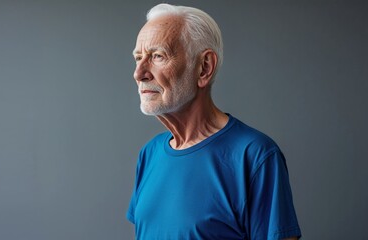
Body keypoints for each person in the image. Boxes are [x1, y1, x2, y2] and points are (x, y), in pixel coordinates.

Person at [126, 3, 301, 240]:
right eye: (138, 57)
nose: (139, 73)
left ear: (204, 68)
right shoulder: (149, 154)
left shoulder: (255, 156)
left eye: (158, 56)